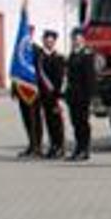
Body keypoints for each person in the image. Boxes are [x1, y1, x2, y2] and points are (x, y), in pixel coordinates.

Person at [64, 28, 96, 161]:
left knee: (83, 123)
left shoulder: (87, 55)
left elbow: (90, 78)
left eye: (78, 39)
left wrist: (90, 97)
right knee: (75, 122)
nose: (75, 41)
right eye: (74, 39)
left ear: (83, 40)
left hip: (83, 95)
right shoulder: (72, 54)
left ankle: (85, 149)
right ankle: (78, 148)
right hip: (73, 95)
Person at [37, 29, 67, 159]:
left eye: (51, 41)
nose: (49, 43)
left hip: (54, 95)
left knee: (57, 122)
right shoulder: (39, 58)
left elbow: (61, 78)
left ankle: (60, 147)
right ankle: (53, 146)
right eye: (47, 40)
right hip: (43, 94)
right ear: (43, 41)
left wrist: (58, 95)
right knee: (48, 121)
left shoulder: (59, 58)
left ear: (54, 42)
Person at [14, 24, 43, 158]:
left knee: (35, 119)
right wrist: (15, 89)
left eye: (30, 31)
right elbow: (16, 70)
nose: (28, 33)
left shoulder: (37, 50)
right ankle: (31, 144)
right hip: (22, 90)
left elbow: (41, 72)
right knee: (26, 119)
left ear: (32, 33)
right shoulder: (18, 49)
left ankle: (38, 146)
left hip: (34, 91)